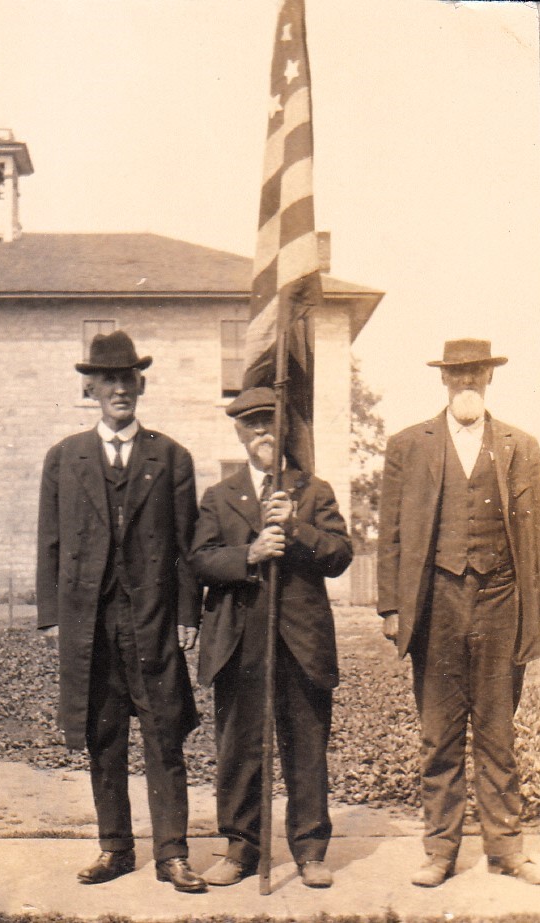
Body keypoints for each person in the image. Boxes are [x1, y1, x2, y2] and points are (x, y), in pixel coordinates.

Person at [36, 330, 206, 893]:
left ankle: (173, 855)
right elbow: (51, 543)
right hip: (90, 623)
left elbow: (186, 546)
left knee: (163, 734)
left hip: (152, 619)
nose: (119, 389)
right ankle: (114, 848)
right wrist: (53, 616)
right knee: (102, 735)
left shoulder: (172, 456)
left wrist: (187, 615)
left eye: (128, 378)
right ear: (91, 388)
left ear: (141, 383)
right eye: (108, 380)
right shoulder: (65, 458)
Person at [377, 338, 540, 888]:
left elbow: (535, 538)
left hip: (501, 600)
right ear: (443, 380)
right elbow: (391, 533)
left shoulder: (522, 446)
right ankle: (439, 851)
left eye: (476, 373)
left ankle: (506, 850)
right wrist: (393, 607)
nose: (466, 383)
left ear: (490, 377)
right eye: (457, 374)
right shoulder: (408, 445)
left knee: (498, 732)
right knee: (439, 732)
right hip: (436, 603)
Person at [190, 387, 353, 888]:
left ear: (283, 431)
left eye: (269, 423)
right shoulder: (220, 496)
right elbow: (199, 559)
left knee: (305, 747)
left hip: (301, 644)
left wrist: (298, 529)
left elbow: (340, 554)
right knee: (239, 748)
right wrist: (251, 553)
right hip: (240, 642)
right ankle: (241, 848)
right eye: (251, 425)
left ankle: (309, 851)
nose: (261, 433)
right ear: (239, 434)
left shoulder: (313, 490)